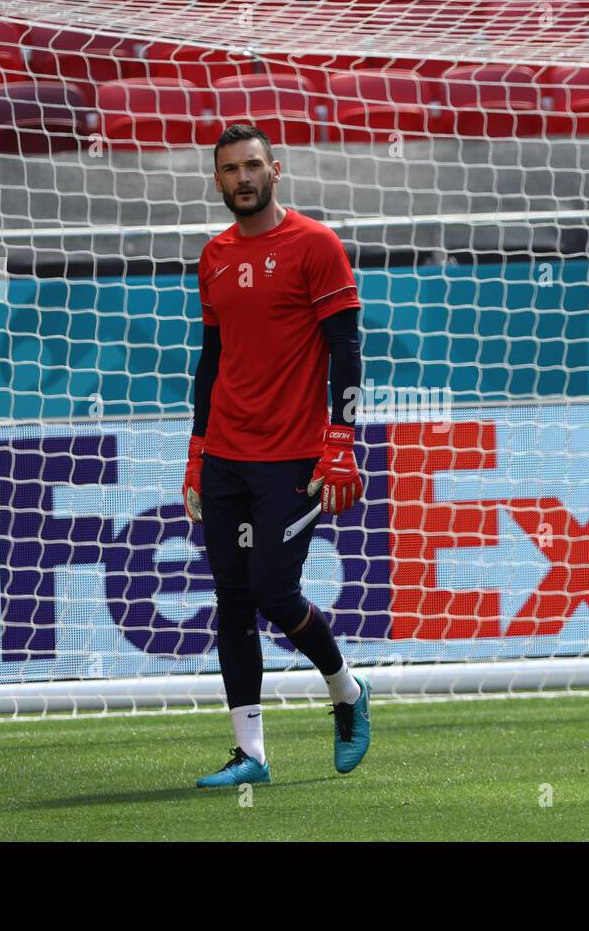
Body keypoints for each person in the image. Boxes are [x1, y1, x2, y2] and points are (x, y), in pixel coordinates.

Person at [185, 124, 370, 788]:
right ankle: (251, 755)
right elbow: (211, 362)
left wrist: (341, 440)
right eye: (230, 168)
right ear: (218, 179)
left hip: (294, 456)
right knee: (232, 602)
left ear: (276, 171)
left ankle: (346, 692)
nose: (242, 177)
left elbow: (346, 350)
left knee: (272, 590)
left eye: (253, 166)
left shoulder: (315, 246)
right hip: (226, 456)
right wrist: (197, 449)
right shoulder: (212, 256)